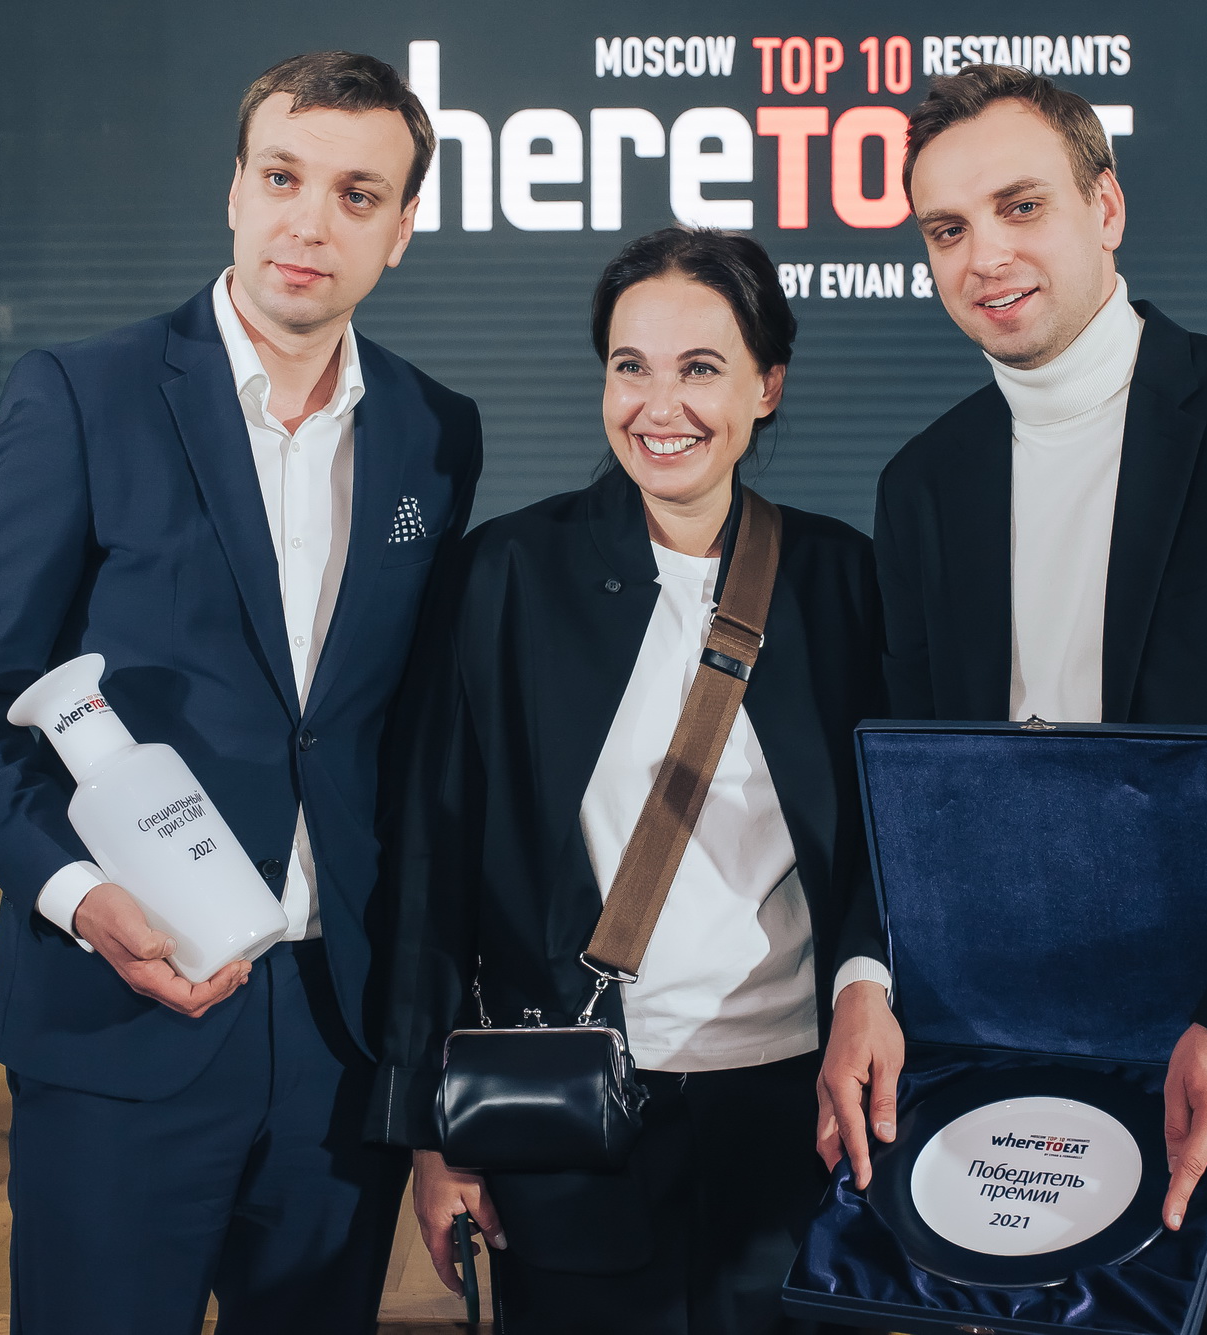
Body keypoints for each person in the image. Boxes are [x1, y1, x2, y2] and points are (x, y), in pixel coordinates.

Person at [818, 64, 1207, 1334]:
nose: (983, 257)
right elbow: (910, 794)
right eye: (945, 230)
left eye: (1019, 207)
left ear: (1103, 208)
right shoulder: (922, 485)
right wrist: (860, 979)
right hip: (1008, 1087)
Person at [0, 51, 481, 1335]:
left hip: (339, 1038)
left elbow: (398, 739)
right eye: (282, 177)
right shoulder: (82, 395)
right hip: (122, 1011)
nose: (308, 222)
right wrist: (76, 896)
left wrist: (425, 1044)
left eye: (356, 194)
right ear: (233, 189)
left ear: (400, 229)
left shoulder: (436, 432)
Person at [371, 226, 888, 1334]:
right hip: (566, 1109)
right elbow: (432, 859)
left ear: (766, 385)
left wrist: (869, 993)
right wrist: (430, 1132)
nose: (661, 406)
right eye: (630, 367)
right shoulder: (504, 574)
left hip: (793, 1110)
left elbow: (893, 854)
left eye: (700, 368)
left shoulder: (842, 579)